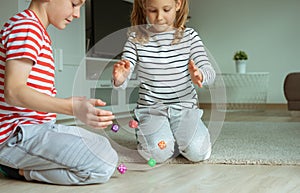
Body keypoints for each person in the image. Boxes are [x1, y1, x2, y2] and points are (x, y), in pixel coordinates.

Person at [0, 0, 118, 185]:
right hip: (16, 136)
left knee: (104, 148)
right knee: (102, 164)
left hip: (41, 128)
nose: (78, 14)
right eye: (74, 4)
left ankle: (25, 165)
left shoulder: (37, 30)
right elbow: (14, 91)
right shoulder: (26, 27)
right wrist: (70, 107)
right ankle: (20, 170)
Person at [113, 0, 216, 163]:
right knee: (158, 153)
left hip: (185, 110)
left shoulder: (190, 36)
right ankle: (157, 136)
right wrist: (120, 78)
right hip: (152, 111)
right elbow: (125, 70)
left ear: (178, 4)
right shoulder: (136, 39)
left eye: (166, 9)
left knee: (197, 152)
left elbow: (209, 71)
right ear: (144, 7)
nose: (159, 17)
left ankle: (179, 137)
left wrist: (201, 74)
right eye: (153, 10)